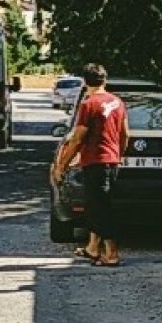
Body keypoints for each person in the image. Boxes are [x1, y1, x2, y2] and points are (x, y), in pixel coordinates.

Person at [52, 63, 129, 267]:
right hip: (111, 160)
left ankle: (111, 253)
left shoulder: (89, 104)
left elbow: (78, 138)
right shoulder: (118, 102)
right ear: (105, 80)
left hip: (95, 160)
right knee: (97, 205)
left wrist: (62, 165)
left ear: (85, 82)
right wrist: (117, 154)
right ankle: (92, 247)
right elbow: (125, 134)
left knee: (100, 209)